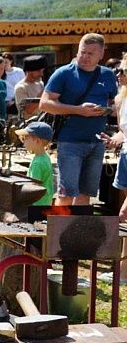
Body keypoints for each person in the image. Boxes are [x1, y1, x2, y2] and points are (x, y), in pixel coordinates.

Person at [39, 33, 117, 206]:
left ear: (101, 55)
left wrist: (105, 110)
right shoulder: (64, 73)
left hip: (97, 142)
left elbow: (115, 107)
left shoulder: (108, 75)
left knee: (85, 194)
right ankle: (59, 232)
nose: (85, 57)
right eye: (82, 52)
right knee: (66, 194)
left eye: (90, 53)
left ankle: (78, 232)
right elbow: (44, 104)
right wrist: (79, 110)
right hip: (70, 142)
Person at [100, 58, 127, 284]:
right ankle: (124, 271)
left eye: (122, 71)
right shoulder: (122, 98)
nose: (117, 75)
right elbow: (123, 131)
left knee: (124, 215)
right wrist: (116, 139)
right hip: (126, 155)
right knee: (125, 218)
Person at [15, 122, 54, 206]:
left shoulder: (37, 163)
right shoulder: (45, 156)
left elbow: (32, 187)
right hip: (45, 200)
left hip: (37, 203)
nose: (23, 141)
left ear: (37, 141)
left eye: (26, 138)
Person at [14, 55, 47, 119]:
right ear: (29, 71)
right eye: (39, 71)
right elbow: (28, 110)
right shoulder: (20, 88)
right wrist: (43, 93)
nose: (41, 74)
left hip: (42, 122)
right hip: (27, 125)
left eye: (42, 71)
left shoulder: (40, 84)